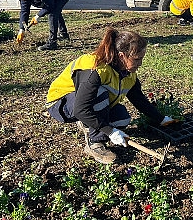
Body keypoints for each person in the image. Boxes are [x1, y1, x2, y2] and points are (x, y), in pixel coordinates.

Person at [44, 27, 177, 164]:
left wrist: (161, 119)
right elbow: (80, 109)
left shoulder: (127, 73)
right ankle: (95, 144)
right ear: (121, 56)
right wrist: (110, 131)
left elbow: (138, 99)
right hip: (61, 104)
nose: (140, 64)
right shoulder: (95, 69)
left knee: (122, 118)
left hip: (85, 104)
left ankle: (88, 122)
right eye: (137, 59)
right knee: (99, 95)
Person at [9, 0, 74, 51]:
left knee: (53, 12)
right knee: (55, 10)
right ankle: (64, 34)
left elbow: (50, 5)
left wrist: (38, 16)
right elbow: (24, 11)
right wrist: (21, 29)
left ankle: (52, 43)